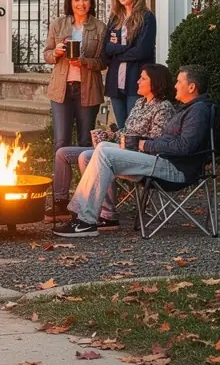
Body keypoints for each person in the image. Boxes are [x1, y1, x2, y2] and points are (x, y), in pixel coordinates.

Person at [55, 65, 213, 238]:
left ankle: (86, 221)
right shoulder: (188, 109)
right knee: (102, 147)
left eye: (179, 81)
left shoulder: (198, 111)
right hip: (160, 159)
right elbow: (170, 141)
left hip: (175, 169)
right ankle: (84, 215)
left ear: (191, 87)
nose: (175, 85)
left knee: (105, 154)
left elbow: (184, 147)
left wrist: (145, 145)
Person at [51, 63, 175, 225]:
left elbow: (155, 140)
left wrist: (127, 140)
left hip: (140, 156)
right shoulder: (140, 103)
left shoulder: (163, 108)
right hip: (121, 148)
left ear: (155, 83)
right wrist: (111, 135)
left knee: (88, 156)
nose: (137, 81)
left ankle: (104, 213)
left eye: (142, 78)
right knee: (68, 153)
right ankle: (75, 207)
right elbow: (128, 130)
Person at [45, 0, 107, 153]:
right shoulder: (58, 24)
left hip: (88, 89)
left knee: (86, 142)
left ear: (91, 2)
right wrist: (56, 53)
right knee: (60, 141)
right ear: (70, 2)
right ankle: (61, 179)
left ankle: (86, 179)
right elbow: (47, 54)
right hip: (61, 89)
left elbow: (103, 61)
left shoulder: (100, 28)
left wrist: (84, 62)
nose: (81, 4)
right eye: (77, 0)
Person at [103, 0, 156, 130]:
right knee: (121, 128)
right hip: (115, 80)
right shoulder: (115, 17)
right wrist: (126, 47)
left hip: (136, 80)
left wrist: (116, 50)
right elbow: (106, 48)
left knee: (133, 129)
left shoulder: (147, 17)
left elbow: (142, 51)